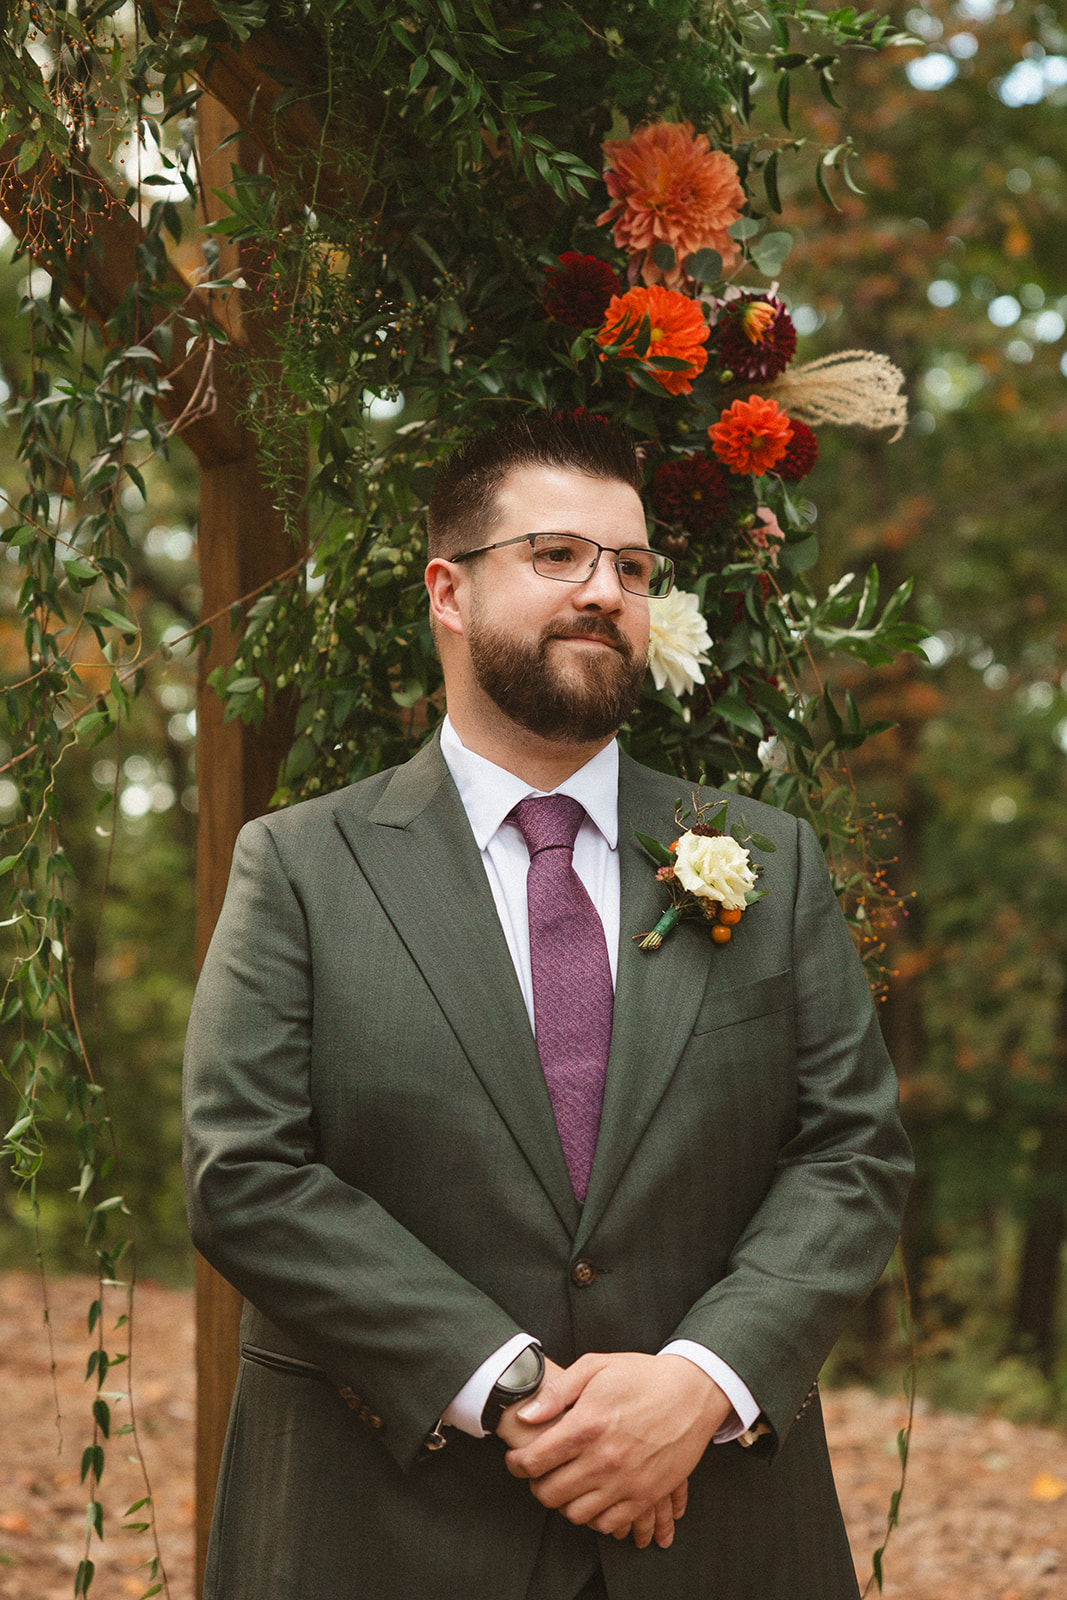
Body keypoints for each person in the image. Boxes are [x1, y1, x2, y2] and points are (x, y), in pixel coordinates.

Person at [183, 411, 912, 1600]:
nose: (603, 591)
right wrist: (513, 1388)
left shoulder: (762, 858)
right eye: (556, 554)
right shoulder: (301, 866)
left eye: (628, 568)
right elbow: (244, 1172)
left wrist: (700, 1380)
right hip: (380, 1533)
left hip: (712, 1529)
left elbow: (850, 1152)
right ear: (449, 591)